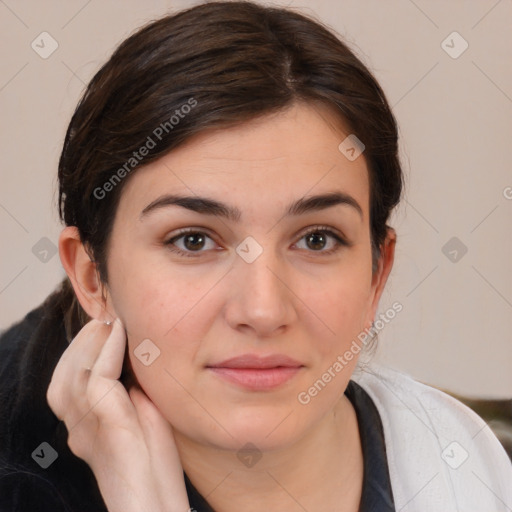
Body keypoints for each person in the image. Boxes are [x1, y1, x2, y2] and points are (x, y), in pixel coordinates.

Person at [0, 1, 511, 511]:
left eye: (316, 239)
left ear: (378, 272)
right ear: (93, 279)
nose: (263, 311)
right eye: (193, 240)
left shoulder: (469, 466)